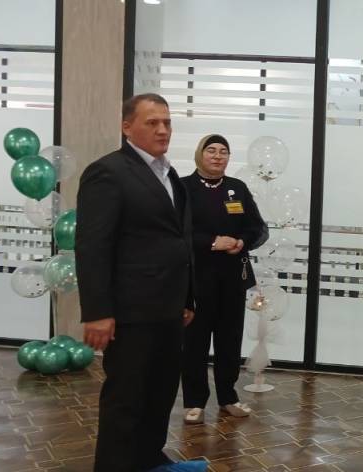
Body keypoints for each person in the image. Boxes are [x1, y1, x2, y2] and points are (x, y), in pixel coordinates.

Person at [76, 93, 205, 471]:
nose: (163, 129)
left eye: (167, 122)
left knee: (160, 394)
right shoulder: (107, 172)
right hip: (130, 312)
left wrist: (187, 299)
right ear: (127, 127)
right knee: (127, 400)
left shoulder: (170, 174)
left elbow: (179, 239)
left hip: (169, 309)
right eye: (152, 122)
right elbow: (93, 246)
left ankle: (150, 461)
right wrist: (97, 312)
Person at [180, 134, 268, 424]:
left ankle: (228, 397)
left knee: (229, 340)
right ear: (200, 154)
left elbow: (256, 227)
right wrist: (211, 242)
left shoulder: (237, 188)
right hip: (196, 279)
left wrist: (242, 241)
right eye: (211, 150)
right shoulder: (183, 187)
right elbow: (176, 231)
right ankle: (194, 401)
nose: (218, 156)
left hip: (231, 277)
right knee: (195, 341)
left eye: (224, 152)